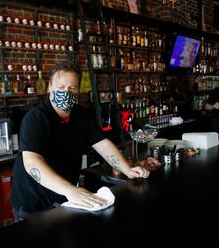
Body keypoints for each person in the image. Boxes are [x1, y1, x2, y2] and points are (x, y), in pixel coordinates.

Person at [10, 62, 160, 221]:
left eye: (72, 88)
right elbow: (32, 162)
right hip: (33, 203)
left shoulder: (82, 116)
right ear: (50, 87)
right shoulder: (35, 118)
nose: (66, 92)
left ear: (78, 90)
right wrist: (71, 191)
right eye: (61, 87)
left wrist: (127, 169)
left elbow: (103, 145)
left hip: (64, 199)